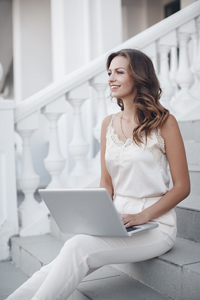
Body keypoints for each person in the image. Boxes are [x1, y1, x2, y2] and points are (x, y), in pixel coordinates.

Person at [7, 49, 190, 300]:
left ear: (138, 76)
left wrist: (142, 216)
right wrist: (97, 216)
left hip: (156, 225)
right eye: (109, 73)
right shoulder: (108, 124)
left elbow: (182, 187)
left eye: (119, 72)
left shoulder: (165, 122)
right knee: (64, 259)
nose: (111, 78)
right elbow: (106, 182)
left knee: (76, 247)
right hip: (116, 219)